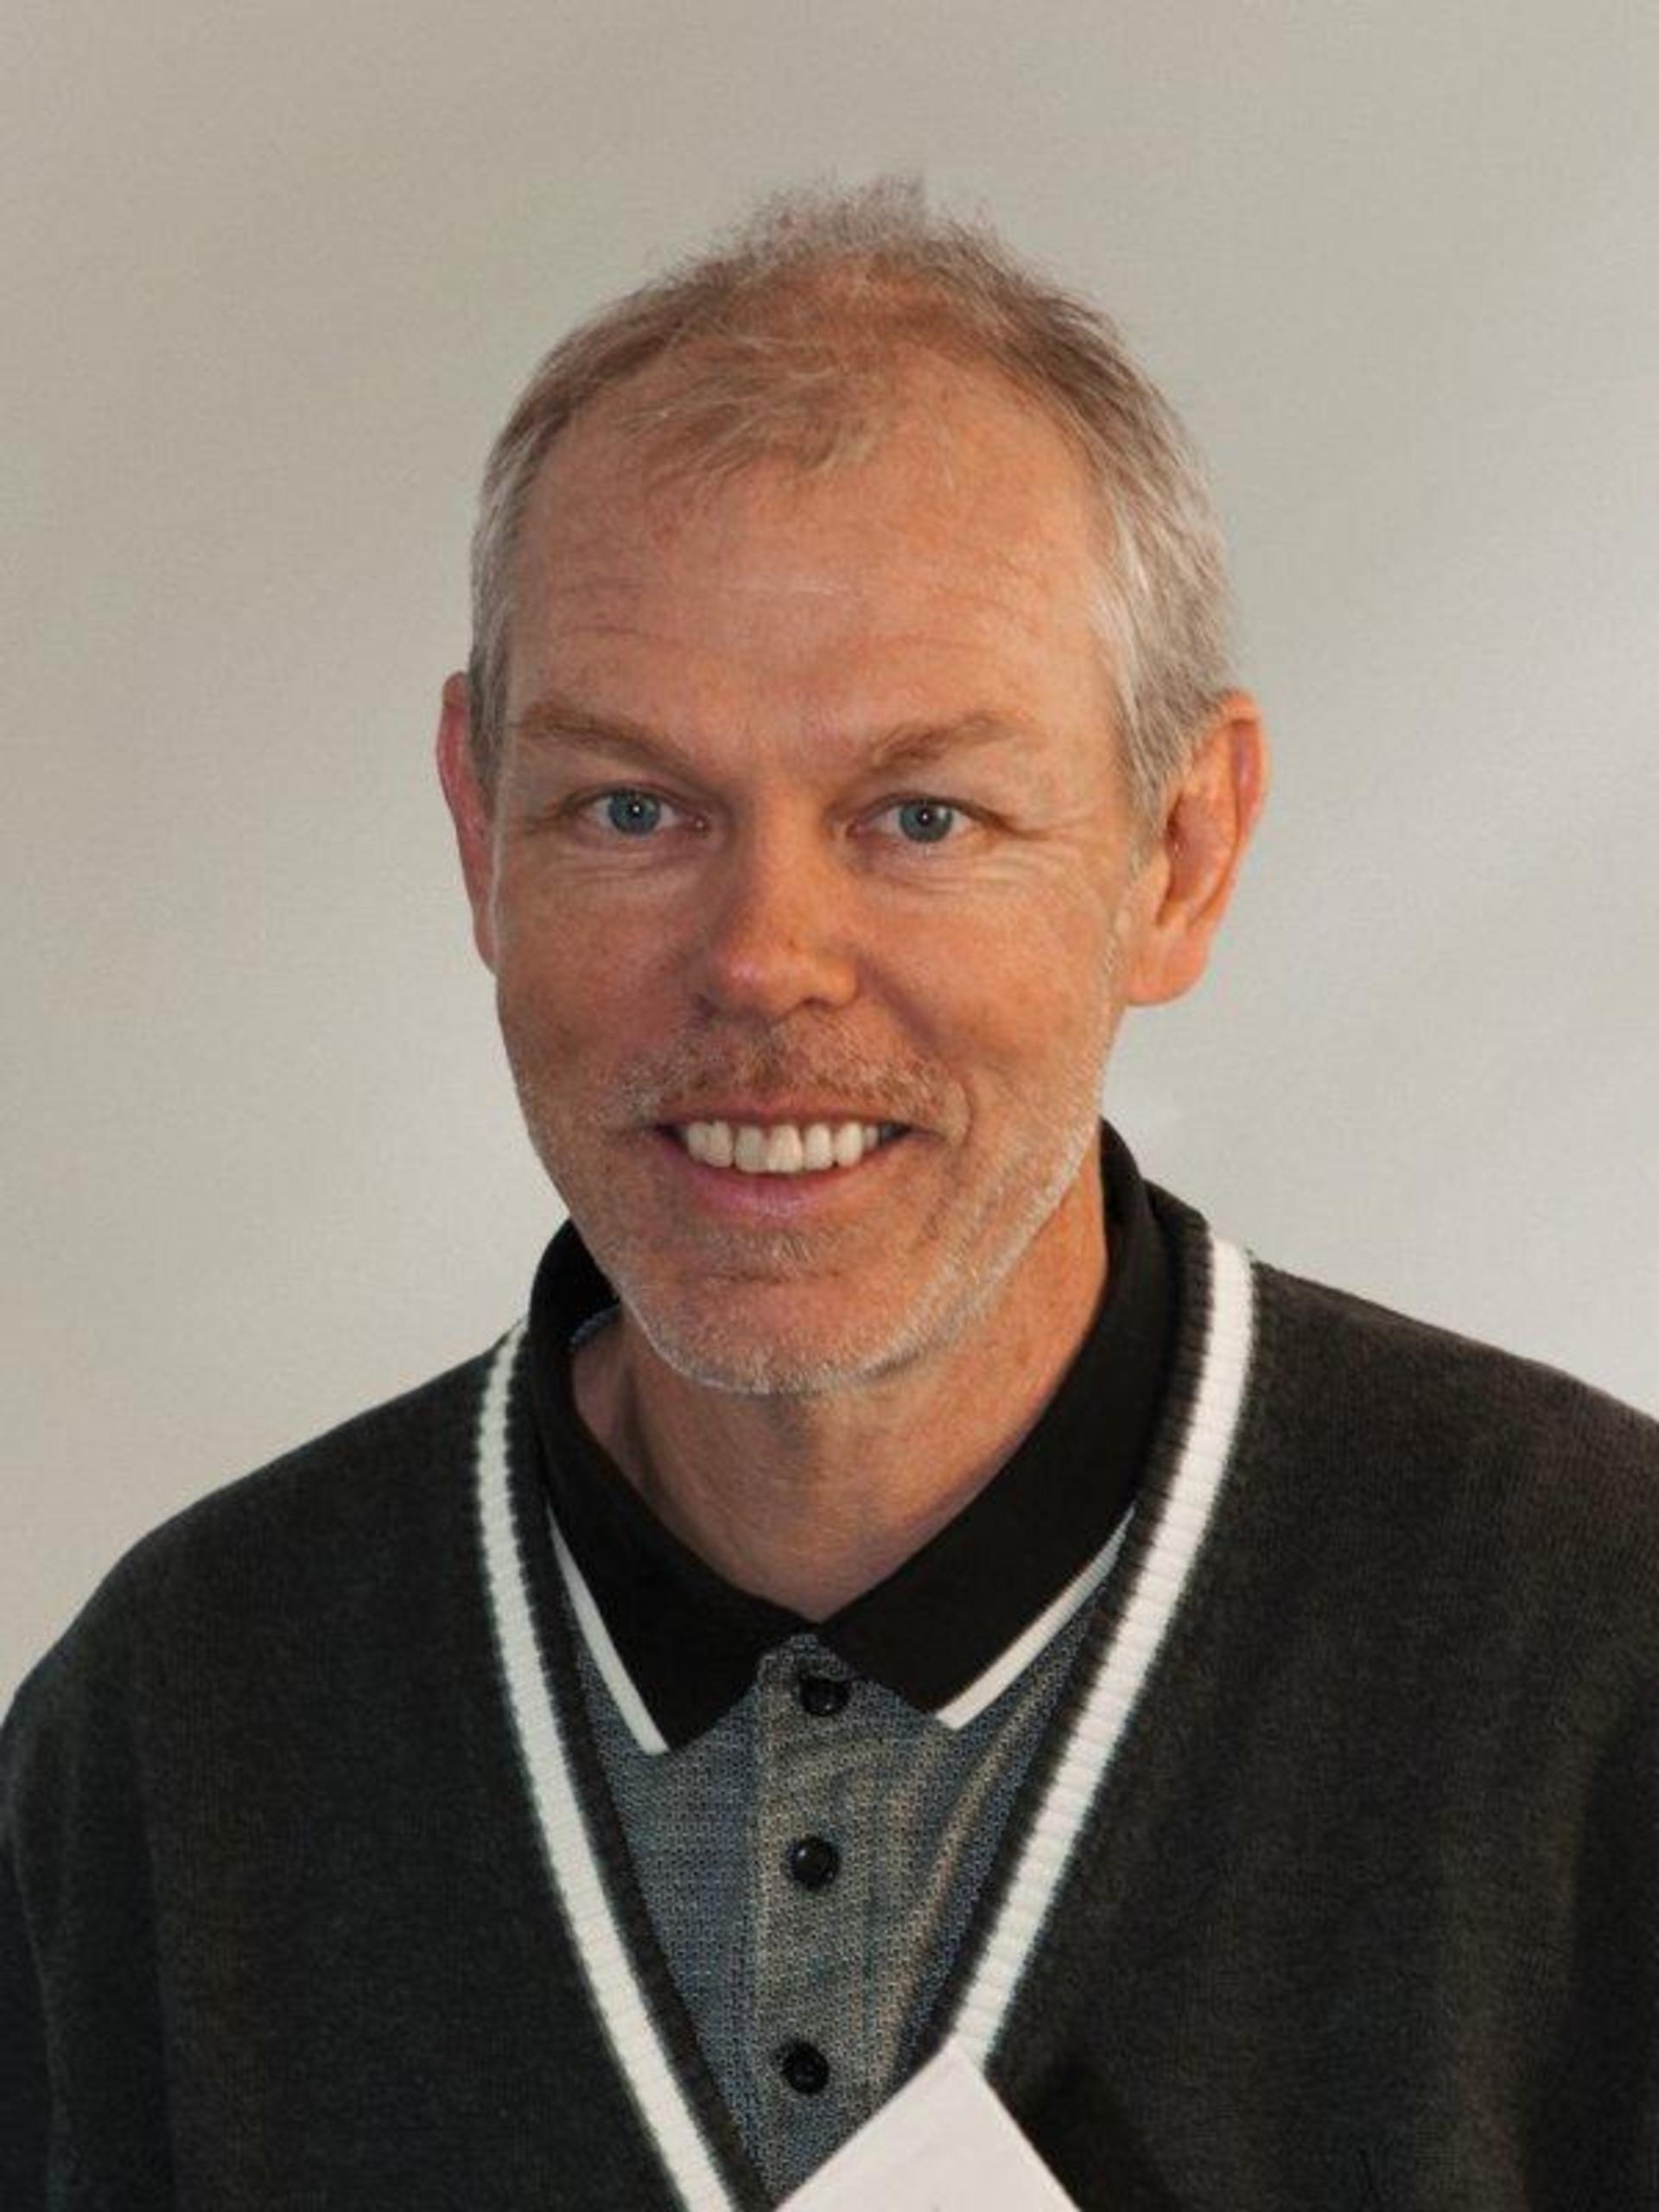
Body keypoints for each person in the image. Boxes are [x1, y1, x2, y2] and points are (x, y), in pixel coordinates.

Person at [3, 181, 1655, 2212]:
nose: (763, 957)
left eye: (921, 814)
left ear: (1182, 851)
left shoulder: (1598, 1652)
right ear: (479, 825)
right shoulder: (171, 1736)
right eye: (634, 806)